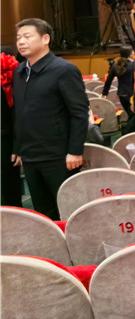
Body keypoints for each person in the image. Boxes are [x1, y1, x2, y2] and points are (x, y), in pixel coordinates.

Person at [11, 18, 89, 219]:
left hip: (59, 156)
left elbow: (79, 113)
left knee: (69, 211)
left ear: (45, 39)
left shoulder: (64, 70)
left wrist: (75, 151)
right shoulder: (19, 71)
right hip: (30, 155)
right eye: (18, 38)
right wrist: (18, 147)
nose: (21, 42)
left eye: (27, 36)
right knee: (43, 212)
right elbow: (20, 113)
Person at [1, 48, 22, 206]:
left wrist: (18, 147)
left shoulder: (11, 82)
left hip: (6, 141)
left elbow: (17, 117)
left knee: (9, 190)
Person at [101, 44, 134, 121]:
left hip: (121, 95)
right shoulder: (134, 65)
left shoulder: (115, 65)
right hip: (132, 95)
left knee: (131, 114)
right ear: (131, 53)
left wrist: (104, 93)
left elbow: (108, 81)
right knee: (133, 115)